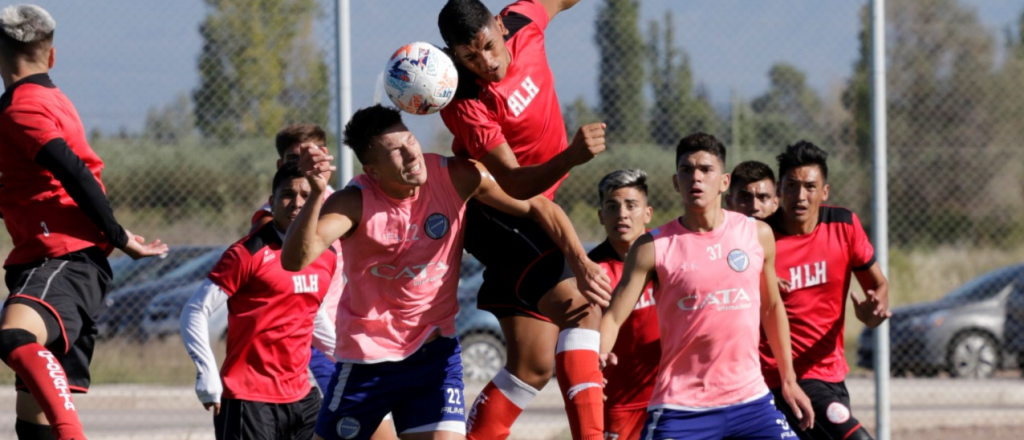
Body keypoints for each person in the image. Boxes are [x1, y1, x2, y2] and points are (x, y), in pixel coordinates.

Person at [280, 104, 602, 440]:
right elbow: (295, 259)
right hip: (368, 364)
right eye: (395, 152)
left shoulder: (454, 176)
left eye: (410, 142)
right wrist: (317, 195)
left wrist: (580, 261)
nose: (411, 155)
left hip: (435, 357)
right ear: (371, 170)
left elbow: (538, 205)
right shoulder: (353, 202)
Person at [438, 2, 610, 438]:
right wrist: (571, 156)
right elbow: (515, 184)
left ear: (499, 24)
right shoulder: (464, 100)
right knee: (583, 310)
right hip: (495, 211)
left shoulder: (523, 21)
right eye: (470, 57)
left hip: (531, 207)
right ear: (454, 56)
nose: (487, 63)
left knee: (532, 366)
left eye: (488, 47)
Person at [0, 5, 168, 439]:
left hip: (59, 258)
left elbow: (72, 171)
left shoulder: (24, 108)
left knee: (14, 335)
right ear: (51, 56)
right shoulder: (53, 99)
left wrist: (117, 236)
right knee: (33, 426)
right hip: (56, 261)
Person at [599, 133, 814, 440]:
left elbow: (771, 307)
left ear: (724, 181)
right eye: (686, 170)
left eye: (705, 169)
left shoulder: (757, 234)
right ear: (676, 182)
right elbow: (613, 316)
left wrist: (789, 379)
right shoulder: (653, 247)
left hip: (751, 402)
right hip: (681, 408)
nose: (695, 178)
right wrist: (598, 357)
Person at [252, 124, 400, 440]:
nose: (304, 166)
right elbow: (295, 285)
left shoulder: (343, 201)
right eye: (295, 158)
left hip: (353, 335)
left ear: (326, 159)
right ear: (281, 166)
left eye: (312, 156)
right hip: (313, 345)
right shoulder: (276, 217)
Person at [181, 162, 339, 440]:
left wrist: (349, 356)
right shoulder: (248, 252)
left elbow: (313, 315)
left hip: (302, 396)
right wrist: (207, 373)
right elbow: (195, 310)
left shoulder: (325, 256)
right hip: (248, 399)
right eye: (288, 194)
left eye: (306, 195)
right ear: (271, 203)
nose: (296, 202)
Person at [760, 141, 890, 440]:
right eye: (791, 186)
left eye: (809, 186)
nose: (800, 196)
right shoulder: (760, 237)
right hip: (781, 379)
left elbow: (879, 287)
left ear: (825, 192)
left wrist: (872, 314)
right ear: (779, 190)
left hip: (832, 374)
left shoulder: (844, 225)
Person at [588, 169, 658, 440]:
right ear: (601, 215)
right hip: (617, 404)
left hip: (673, 398)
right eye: (612, 206)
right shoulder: (591, 273)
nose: (622, 214)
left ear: (648, 213)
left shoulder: (671, 253)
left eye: (631, 205)